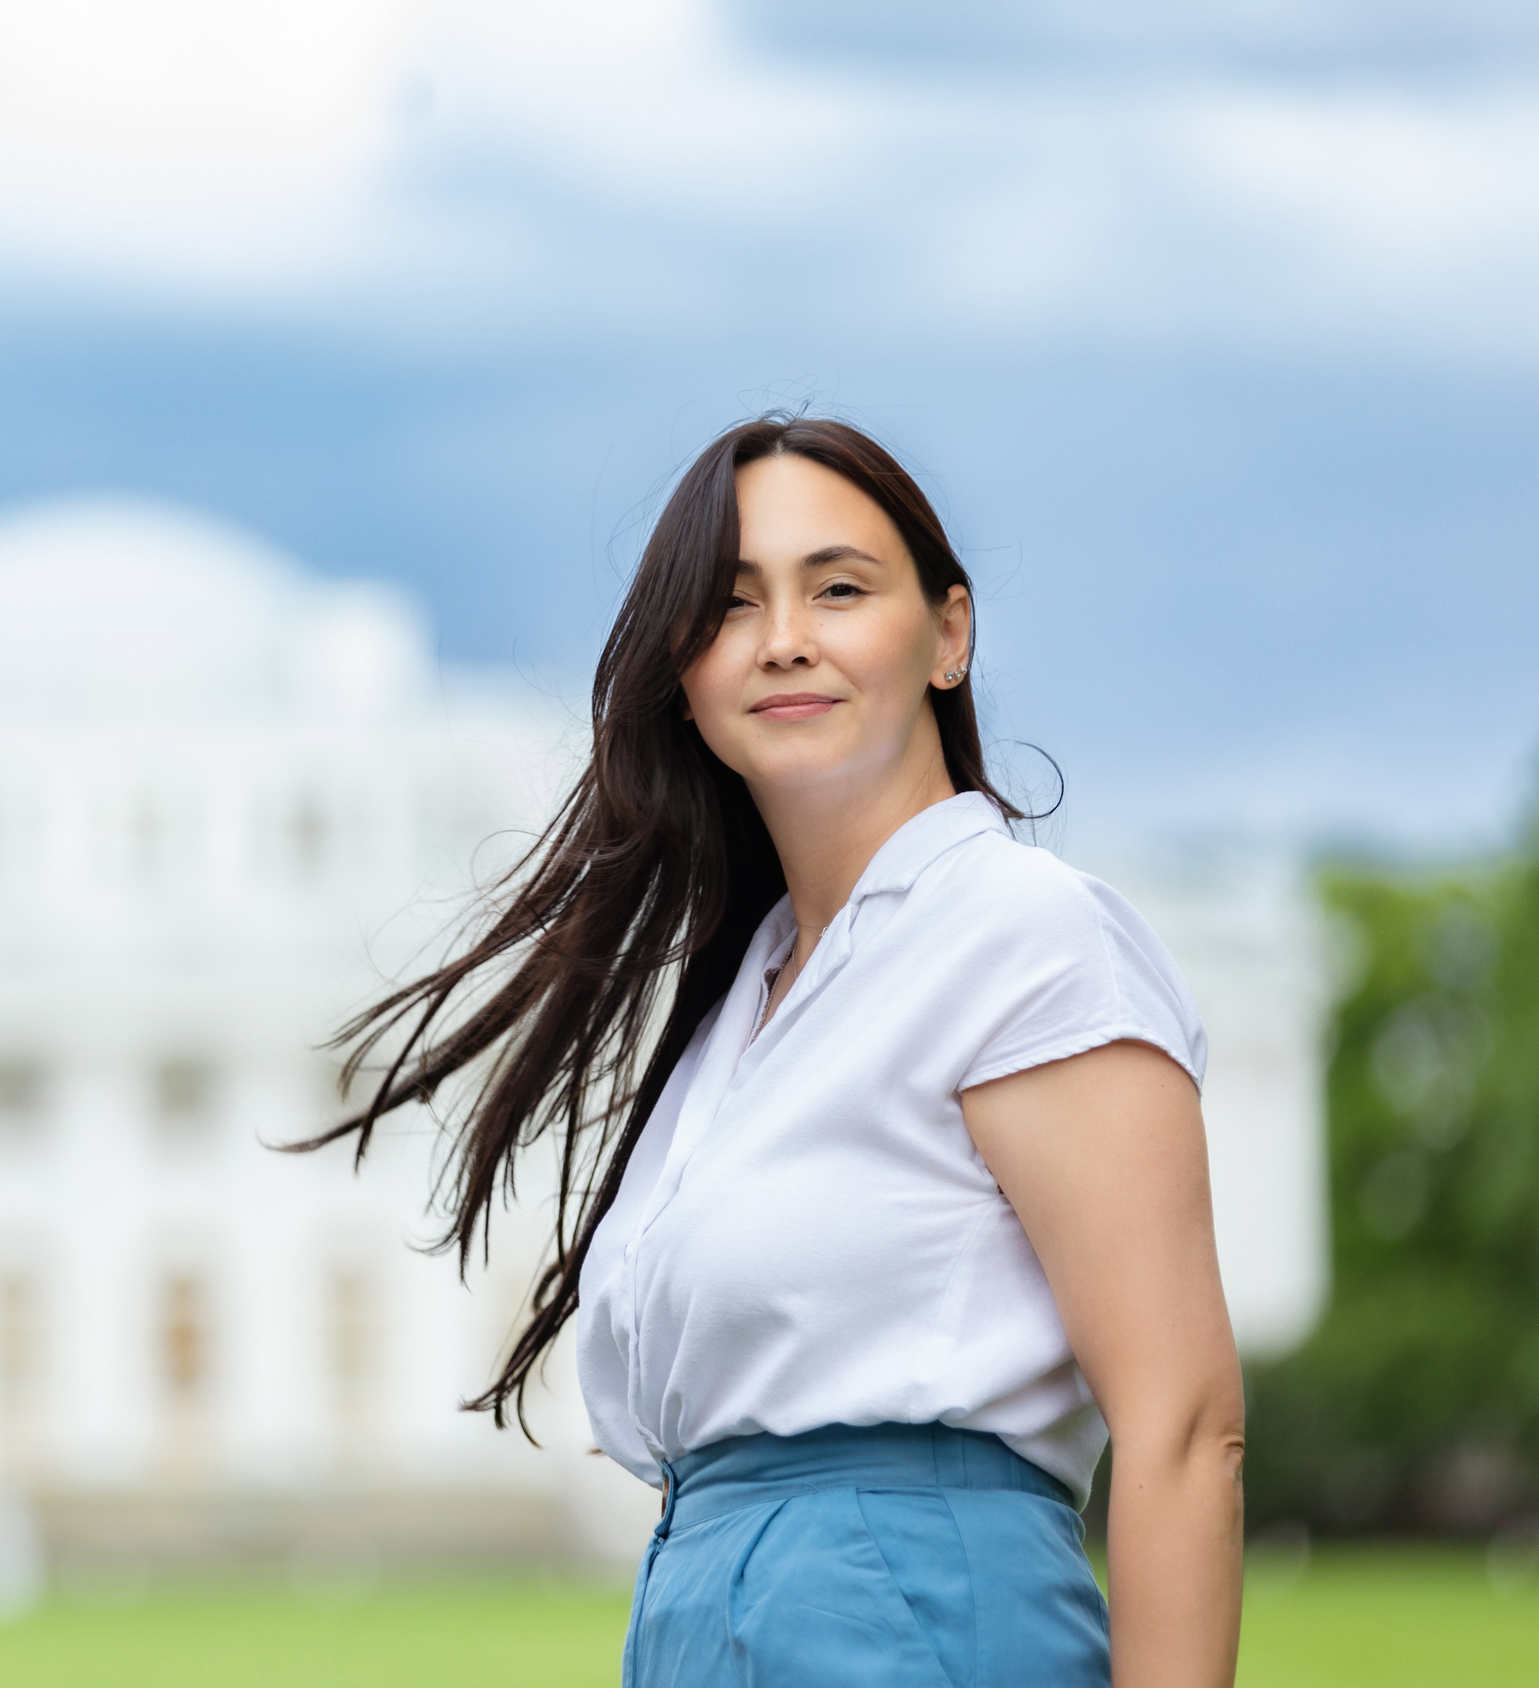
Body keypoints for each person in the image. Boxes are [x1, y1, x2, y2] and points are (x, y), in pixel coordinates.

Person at [303, 415, 1243, 1685]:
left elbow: (1183, 1423)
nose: (785, 634)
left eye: (839, 588)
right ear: (683, 671)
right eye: (731, 604)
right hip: (705, 1617)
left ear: (947, 635)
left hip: (920, 1620)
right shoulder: (739, 1009)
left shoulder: (1024, 937)